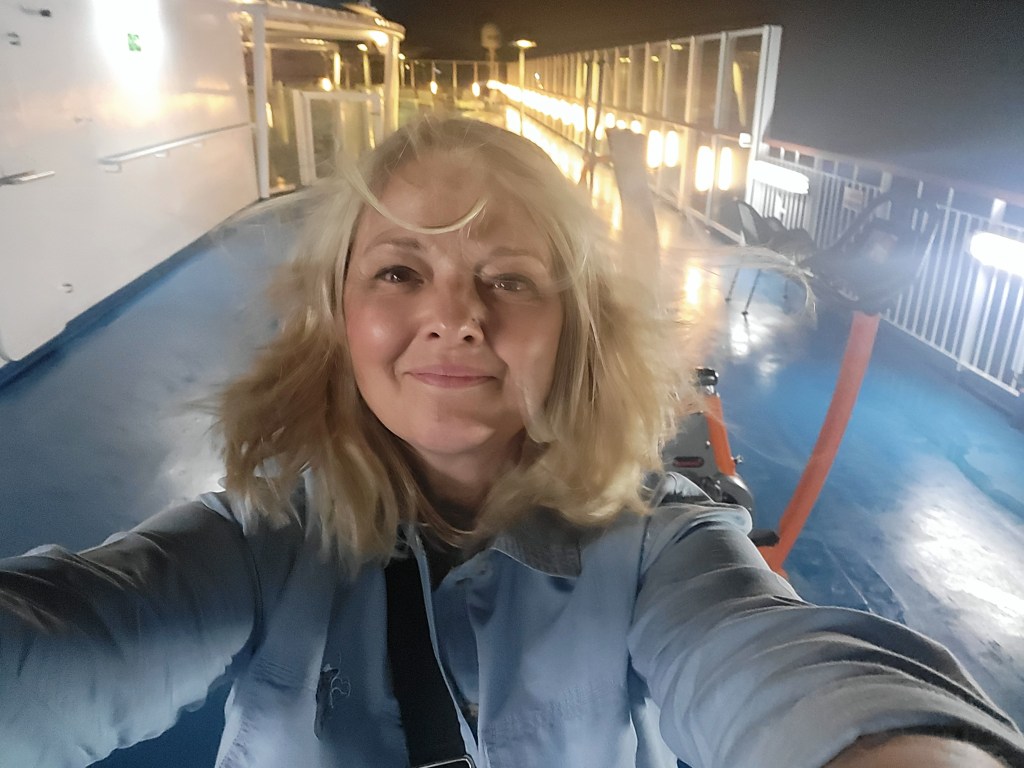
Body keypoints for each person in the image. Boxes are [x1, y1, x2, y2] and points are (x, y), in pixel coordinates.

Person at [1, 117, 1022, 768]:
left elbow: (760, 655)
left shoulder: (659, 544)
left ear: (573, 329)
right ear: (336, 319)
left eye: (511, 279)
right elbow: (76, 642)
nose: (457, 318)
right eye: (400, 272)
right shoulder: (257, 538)